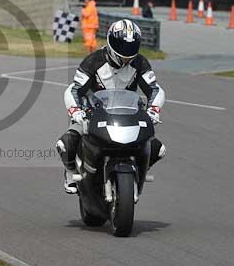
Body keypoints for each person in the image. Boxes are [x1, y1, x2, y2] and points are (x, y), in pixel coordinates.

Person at [55, 19, 167, 194]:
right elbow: (74, 89)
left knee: (157, 148)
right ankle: (70, 172)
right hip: (92, 113)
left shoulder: (140, 63)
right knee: (67, 143)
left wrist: (153, 110)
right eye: (121, 45)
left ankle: (139, 170)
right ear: (110, 42)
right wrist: (76, 111)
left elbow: (154, 89)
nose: (126, 52)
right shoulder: (93, 61)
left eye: (131, 47)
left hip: (128, 115)